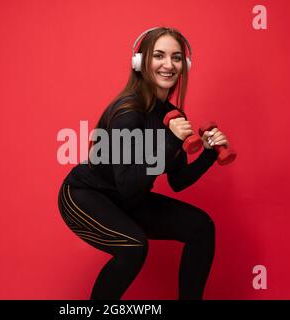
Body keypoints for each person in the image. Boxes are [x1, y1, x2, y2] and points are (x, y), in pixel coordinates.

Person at [57, 26, 231, 300]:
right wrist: (171, 142)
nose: (168, 65)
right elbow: (127, 184)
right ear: (140, 62)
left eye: (176, 58)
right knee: (132, 246)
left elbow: (178, 181)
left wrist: (208, 152)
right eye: (159, 56)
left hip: (129, 199)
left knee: (201, 227)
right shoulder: (128, 112)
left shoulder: (172, 115)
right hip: (86, 197)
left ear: (183, 66)